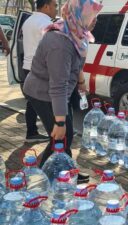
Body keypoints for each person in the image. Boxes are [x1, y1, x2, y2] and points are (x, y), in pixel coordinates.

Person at [23, 0, 102, 182]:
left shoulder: (75, 32)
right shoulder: (59, 42)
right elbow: (57, 85)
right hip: (42, 92)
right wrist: (59, 123)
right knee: (60, 135)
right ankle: (42, 180)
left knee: (64, 136)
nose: (95, 21)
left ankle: (64, 172)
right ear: (78, 16)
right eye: (92, 17)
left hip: (57, 91)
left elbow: (75, 62)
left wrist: (81, 81)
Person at [21, 0, 58, 143]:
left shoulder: (28, 21)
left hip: (27, 67)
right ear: (46, 6)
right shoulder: (46, 24)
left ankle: (32, 132)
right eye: (54, 6)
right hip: (42, 70)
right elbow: (52, 48)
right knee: (49, 102)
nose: (56, 9)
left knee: (32, 101)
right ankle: (55, 133)